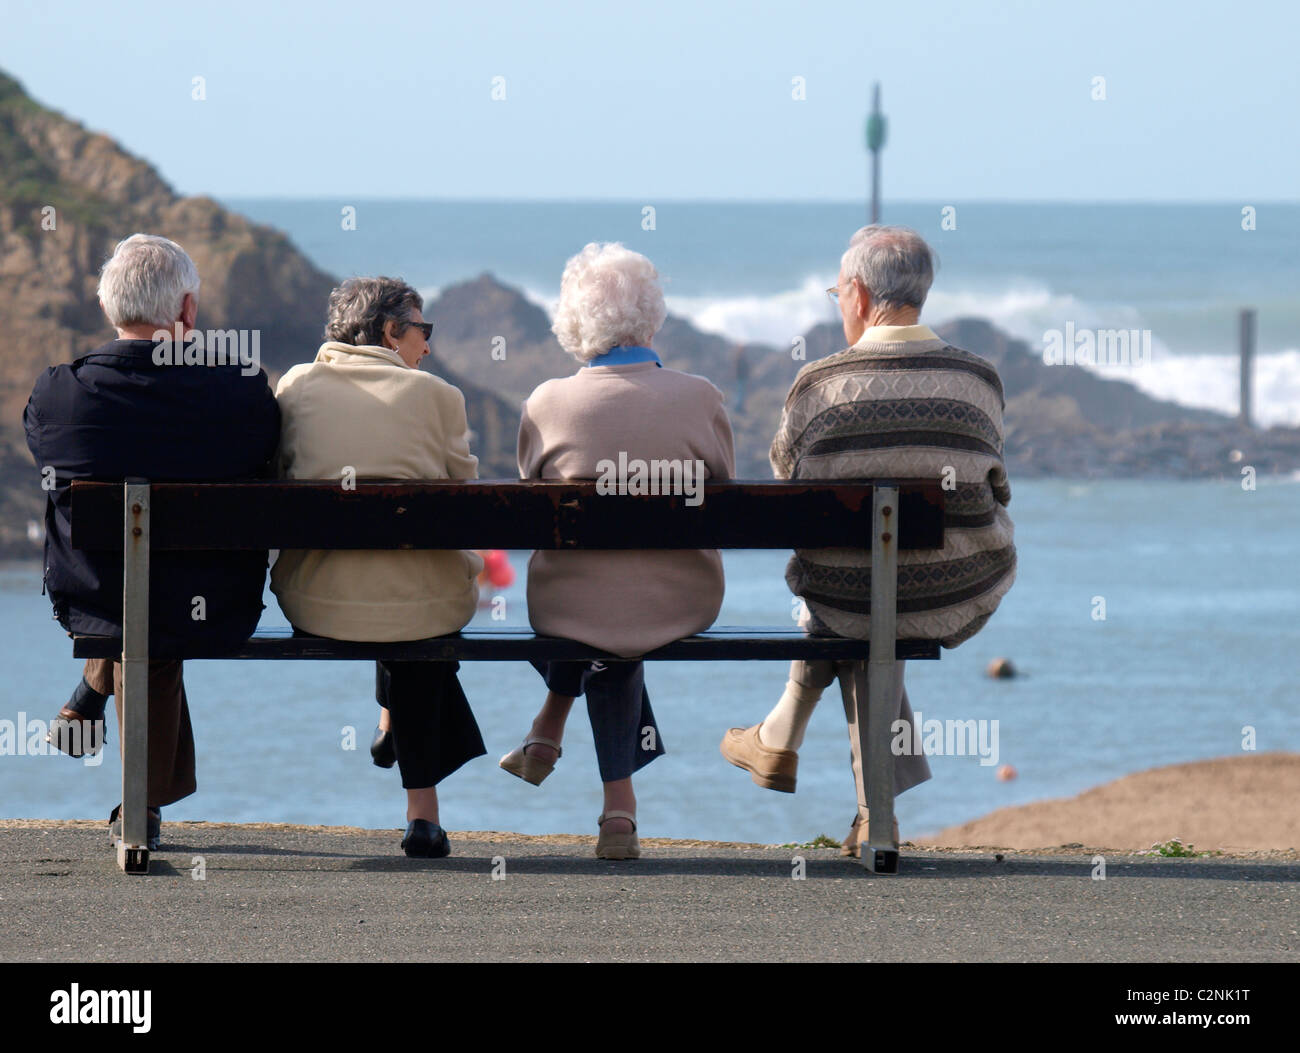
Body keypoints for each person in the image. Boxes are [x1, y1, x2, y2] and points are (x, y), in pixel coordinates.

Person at [719, 225, 1017, 855]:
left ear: (856, 293)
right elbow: (997, 488)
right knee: (884, 591)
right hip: (953, 587)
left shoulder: (819, 385)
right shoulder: (979, 381)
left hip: (841, 594)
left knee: (859, 589)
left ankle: (780, 735)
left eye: (836, 293)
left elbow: (787, 487)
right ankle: (872, 817)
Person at [24, 233, 280, 847]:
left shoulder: (61, 392)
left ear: (110, 308)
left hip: (95, 601)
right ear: (187, 311)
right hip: (218, 603)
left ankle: (98, 700)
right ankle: (141, 805)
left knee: (135, 602)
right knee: (157, 603)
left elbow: (48, 467)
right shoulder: (242, 391)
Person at [500, 243, 735, 859]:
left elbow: (530, 485)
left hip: (568, 603)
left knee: (599, 603)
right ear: (652, 319)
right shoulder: (701, 397)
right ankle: (617, 809)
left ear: (573, 325)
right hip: (682, 598)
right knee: (624, 609)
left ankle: (554, 734)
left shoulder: (546, 403)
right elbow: (724, 480)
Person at [270, 277, 485, 858]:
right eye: (423, 330)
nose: (429, 347)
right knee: (414, 608)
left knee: (396, 591)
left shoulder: (294, 386)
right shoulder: (437, 396)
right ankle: (422, 816)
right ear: (391, 331)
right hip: (420, 605)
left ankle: (392, 725)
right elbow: (463, 492)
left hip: (317, 601)